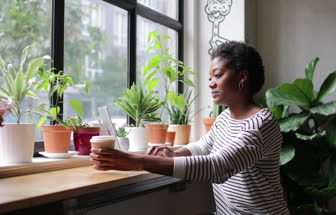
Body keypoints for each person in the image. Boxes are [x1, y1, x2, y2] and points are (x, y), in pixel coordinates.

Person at [90, 41, 289, 214]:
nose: (211, 84)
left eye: (218, 75)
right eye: (210, 78)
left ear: (242, 78)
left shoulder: (262, 124)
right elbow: (203, 146)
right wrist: (175, 154)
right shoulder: (224, 118)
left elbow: (218, 167)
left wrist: (136, 161)